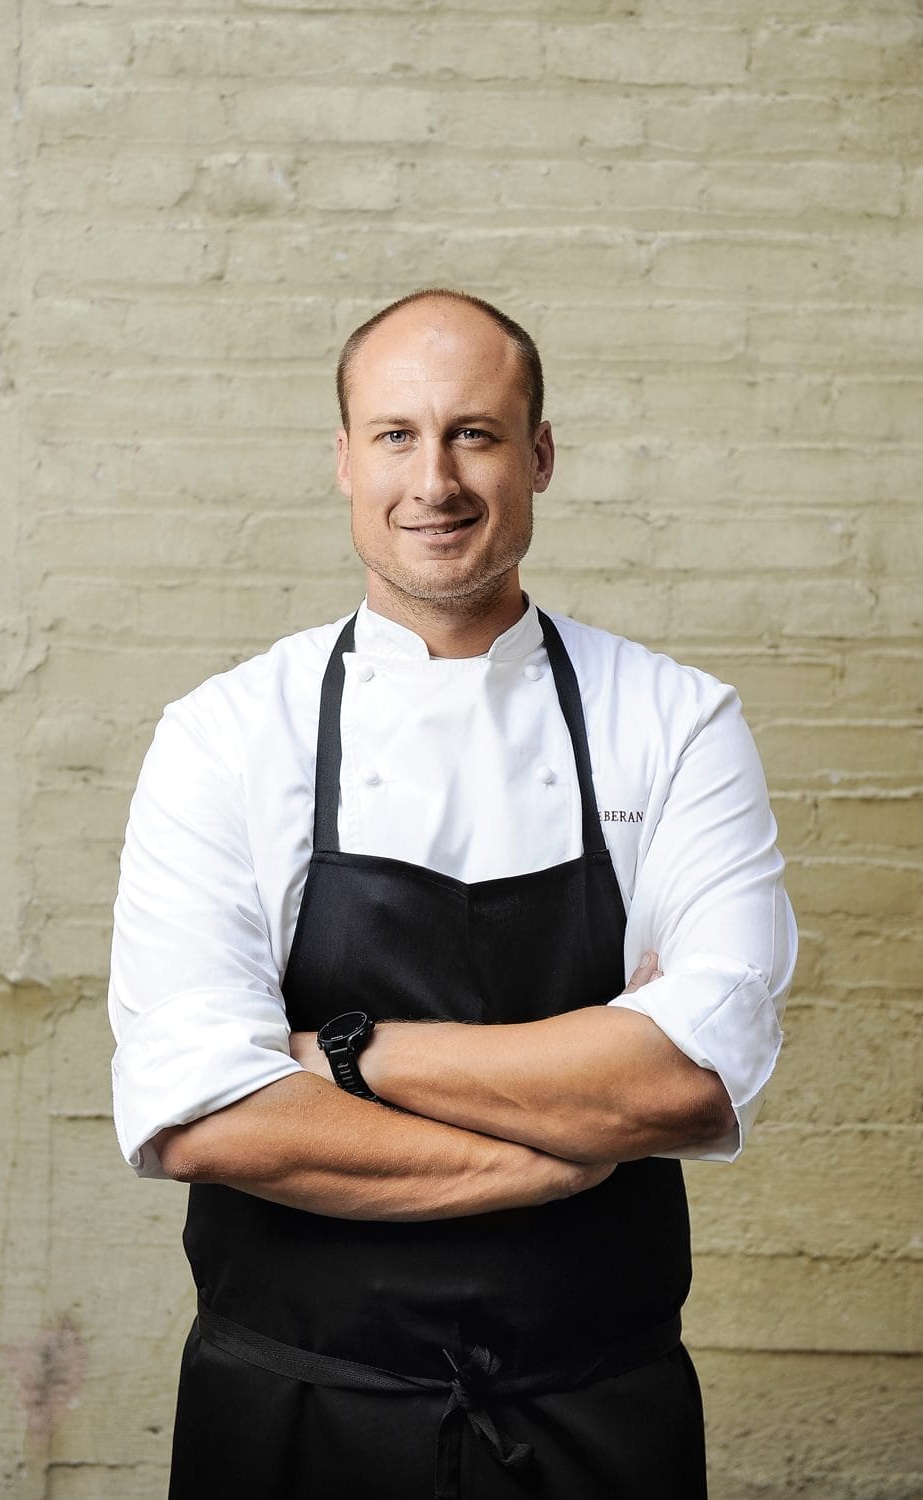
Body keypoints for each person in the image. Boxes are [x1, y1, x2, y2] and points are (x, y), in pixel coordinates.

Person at [108, 289, 797, 1500]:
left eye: (474, 433)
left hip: (598, 1414)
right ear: (341, 460)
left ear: (538, 455)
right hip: (289, 1413)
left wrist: (331, 1058)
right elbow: (198, 1116)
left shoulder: (672, 720)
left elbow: (687, 1082)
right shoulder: (225, 736)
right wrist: (563, 1153)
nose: (434, 479)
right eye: (394, 435)